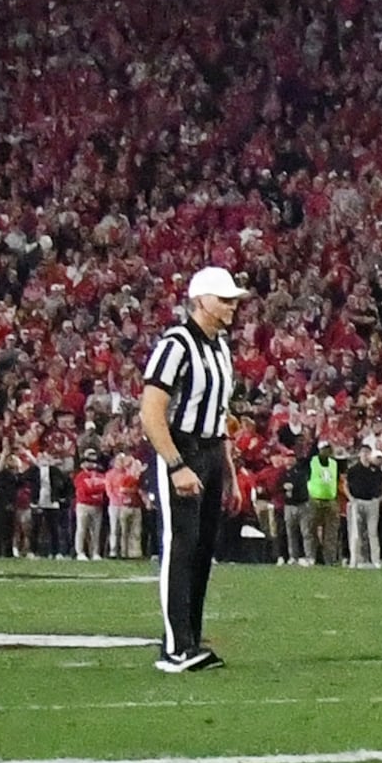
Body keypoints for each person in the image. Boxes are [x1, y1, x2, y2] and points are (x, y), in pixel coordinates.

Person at [141, 265, 248, 675]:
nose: (232, 307)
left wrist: (230, 473)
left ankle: (191, 640)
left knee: (203, 550)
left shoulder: (221, 348)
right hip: (181, 448)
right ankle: (174, 647)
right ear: (201, 300)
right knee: (181, 547)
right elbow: (151, 411)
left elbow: (220, 418)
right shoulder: (176, 344)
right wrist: (175, 464)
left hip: (209, 450)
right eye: (224, 299)